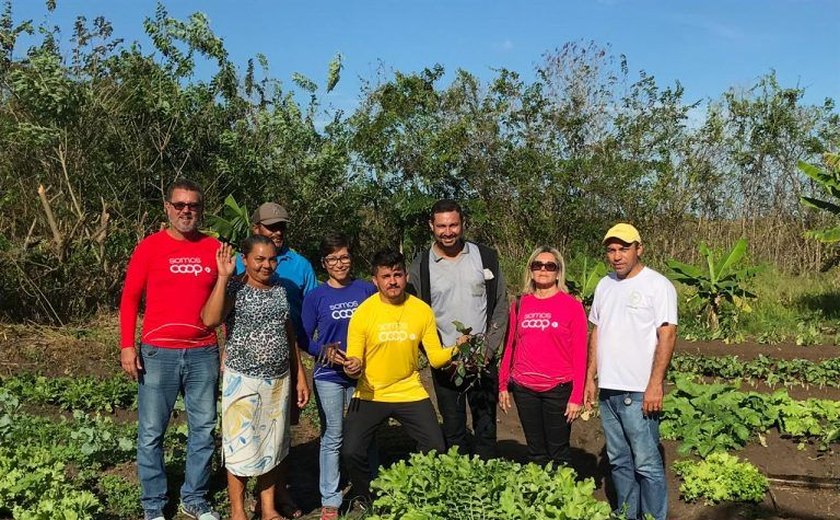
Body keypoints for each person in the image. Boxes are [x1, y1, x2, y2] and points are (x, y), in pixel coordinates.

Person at [119, 179, 222, 520]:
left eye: (192, 205)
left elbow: (227, 301)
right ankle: (153, 505)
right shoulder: (149, 247)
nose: (186, 211)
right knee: (151, 432)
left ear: (201, 209)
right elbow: (130, 298)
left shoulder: (215, 248)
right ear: (167, 208)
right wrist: (126, 346)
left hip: (203, 352)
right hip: (157, 353)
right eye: (179, 205)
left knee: (204, 429)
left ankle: (194, 498)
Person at [201, 236, 310, 520]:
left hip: (278, 380)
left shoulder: (280, 289)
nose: (266, 265)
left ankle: (268, 507)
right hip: (243, 381)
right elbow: (210, 319)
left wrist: (300, 374)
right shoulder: (234, 286)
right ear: (246, 260)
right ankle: (238, 511)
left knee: (273, 445)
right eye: (259, 259)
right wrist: (223, 279)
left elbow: (289, 333)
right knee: (240, 446)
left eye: (271, 259)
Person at [342, 250, 454, 505]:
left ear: (405, 276)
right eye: (386, 276)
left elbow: (435, 358)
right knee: (351, 450)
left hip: (409, 390)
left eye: (397, 275)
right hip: (371, 392)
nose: (392, 281)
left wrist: (460, 345)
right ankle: (366, 498)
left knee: (436, 446)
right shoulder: (363, 313)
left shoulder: (421, 310)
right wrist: (352, 366)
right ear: (375, 280)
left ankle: (416, 492)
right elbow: (354, 360)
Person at [583, 223, 678, 520]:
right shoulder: (604, 285)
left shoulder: (657, 285)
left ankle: (653, 517)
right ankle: (627, 514)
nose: (616, 256)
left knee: (647, 464)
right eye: (611, 250)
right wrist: (590, 377)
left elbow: (668, 335)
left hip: (639, 392)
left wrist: (655, 384)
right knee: (619, 461)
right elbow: (596, 332)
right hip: (609, 390)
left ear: (639, 249)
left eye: (623, 249)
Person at [408, 199, 507, 460]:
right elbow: (415, 314)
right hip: (445, 362)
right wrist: (435, 354)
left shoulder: (485, 257)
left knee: (485, 427)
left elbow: (499, 306)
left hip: (481, 360)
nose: (448, 231)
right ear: (431, 226)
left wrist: (487, 351)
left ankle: (486, 478)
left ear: (463, 224)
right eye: (441, 226)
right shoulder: (420, 266)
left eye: (453, 225)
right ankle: (459, 480)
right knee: (453, 429)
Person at [237, 201, 317, 518]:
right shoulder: (239, 262)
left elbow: (311, 311)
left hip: (287, 360)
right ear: (256, 228)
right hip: (244, 367)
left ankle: (275, 495)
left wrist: (307, 364)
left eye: (281, 226)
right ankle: (242, 502)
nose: (277, 232)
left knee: (280, 435)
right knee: (245, 433)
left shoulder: (300, 266)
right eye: (271, 226)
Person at [300, 233, 377, 520]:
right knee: (333, 436)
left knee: (366, 434)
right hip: (329, 376)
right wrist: (325, 353)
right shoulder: (316, 297)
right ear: (324, 263)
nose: (339, 263)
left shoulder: (366, 290)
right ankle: (330, 499)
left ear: (351, 257)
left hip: (363, 374)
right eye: (333, 259)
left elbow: (377, 327)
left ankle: (370, 489)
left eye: (344, 256)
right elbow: (304, 337)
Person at [498, 246, 587, 468]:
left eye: (550, 266)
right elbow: (509, 346)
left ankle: (562, 496)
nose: (543, 270)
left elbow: (580, 353)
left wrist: (576, 396)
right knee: (535, 450)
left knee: (558, 450)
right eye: (537, 265)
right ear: (530, 270)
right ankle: (539, 495)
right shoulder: (520, 304)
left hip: (558, 389)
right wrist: (502, 385)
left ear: (559, 272)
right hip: (524, 388)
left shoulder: (572, 306)